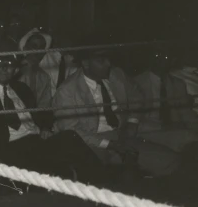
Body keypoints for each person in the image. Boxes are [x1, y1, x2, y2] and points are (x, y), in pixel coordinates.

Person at [0, 54, 113, 187]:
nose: (4, 68)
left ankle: (103, 187)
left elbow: (41, 115)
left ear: (15, 71)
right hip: (8, 146)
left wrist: (46, 128)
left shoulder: (22, 89)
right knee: (48, 168)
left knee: (70, 137)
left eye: (9, 65)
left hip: (35, 140)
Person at [54, 44, 197, 176]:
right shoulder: (67, 90)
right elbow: (72, 131)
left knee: (171, 161)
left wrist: (132, 121)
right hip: (92, 142)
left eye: (108, 59)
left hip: (123, 134)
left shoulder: (116, 75)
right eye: (101, 60)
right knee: (98, 177)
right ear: (85, 63)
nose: (108, 64)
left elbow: (136, 96)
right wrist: (111, 145)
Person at [133, 48, 198, 129]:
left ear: (171, 61)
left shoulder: (178, 84)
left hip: (175, 130)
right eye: (157, 56)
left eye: (166, 57)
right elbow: (135, 118)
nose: (161, 60)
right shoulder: (137, 83)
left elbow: (186, 113)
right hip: (149, 130)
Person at [18, 31, 55, 111]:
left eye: (41, 47)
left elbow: (45, 107)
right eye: (34, 46)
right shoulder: (16, 72)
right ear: (25, 48)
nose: (38, 50)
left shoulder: (44, 77)